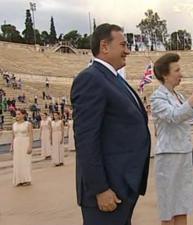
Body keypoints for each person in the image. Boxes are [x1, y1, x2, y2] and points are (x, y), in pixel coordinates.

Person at [71, 23, 150, 225]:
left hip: (121, 187)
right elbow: (86, 139)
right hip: (107, 192)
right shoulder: (90, 79)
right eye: (123, 45)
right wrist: (100, 189)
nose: (128, 51)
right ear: (105, 46)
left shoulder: (114, 79)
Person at [151, 53, 193, 225]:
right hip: (168, 157)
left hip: (183, 154)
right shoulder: (157, 97)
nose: (181, 74)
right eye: (177, 70)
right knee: (169, 210)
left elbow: (187, 119)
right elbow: (174, 116)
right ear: (165, 75)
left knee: (182, 206)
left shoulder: (179, 96)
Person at [11, 109, 33, 186]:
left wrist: (30, 146)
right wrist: (11, 146)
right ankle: (19, 180)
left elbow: (31, 136)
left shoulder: (28, 124)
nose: (17, 116)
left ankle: (27, 179)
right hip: (17, 144)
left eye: (19, 114)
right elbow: (13, 136)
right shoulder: (14, 125)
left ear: (23, 115)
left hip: (25, 143)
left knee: (25, 161)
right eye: (16, 114)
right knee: (17, 161)